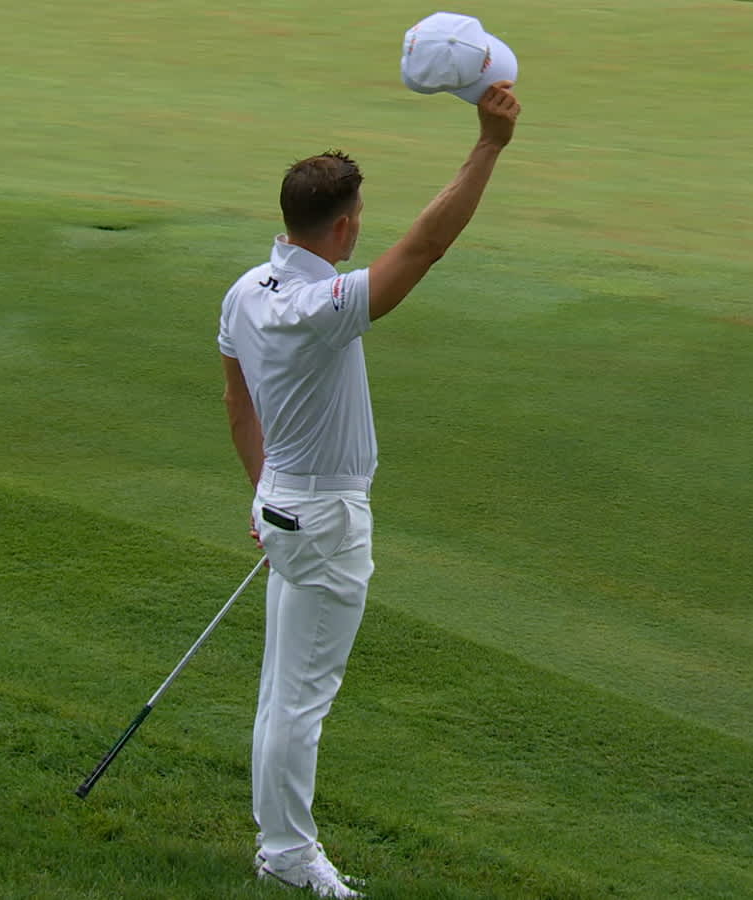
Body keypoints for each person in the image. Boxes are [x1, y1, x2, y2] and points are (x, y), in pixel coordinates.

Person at [217, 81, 521, 898]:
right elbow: (423, 247)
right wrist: (489, 144)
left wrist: (260, 494)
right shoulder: (322, 307)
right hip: (323, 519)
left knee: (282, 693)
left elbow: (236, 403)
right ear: (345, 224)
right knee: (299, 703)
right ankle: (286, 853)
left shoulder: (248, 291)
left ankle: (278, 840)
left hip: (283, 503)